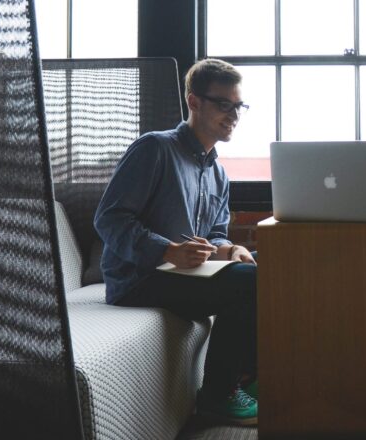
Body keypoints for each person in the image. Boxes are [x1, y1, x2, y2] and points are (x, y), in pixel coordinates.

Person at [93, 58, 259, 425]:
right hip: (139, 279)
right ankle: (218, 396)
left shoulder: (218, 172)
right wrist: (167, 250)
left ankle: (249, 375)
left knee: (267, 265)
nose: (233, 115)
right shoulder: (154, 148)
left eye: (238, 106)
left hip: (186, 275)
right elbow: (109, 218)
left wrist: (229, 249)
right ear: (194, 101)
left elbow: (215, 233)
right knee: (253, 283)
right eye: (223, 104)